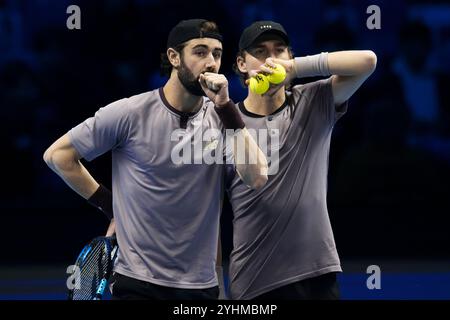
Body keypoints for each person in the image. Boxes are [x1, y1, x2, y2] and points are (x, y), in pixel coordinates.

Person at [43, 19, 267, 300]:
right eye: (200, 52)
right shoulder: (129, 113)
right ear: (174, 57)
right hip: (137, 281)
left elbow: (257, 177)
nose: (211, 62)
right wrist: (109, 205)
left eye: (217, 54)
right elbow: (58, 156)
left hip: (201, 285)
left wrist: (225, 107)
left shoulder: (224, 118)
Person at [226, 20, 377, 299]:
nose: (271, 59)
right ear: (242, 64)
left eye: (279, 50)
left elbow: (367, 60)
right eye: (260, 52)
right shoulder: (225, 122)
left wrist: (296, 69)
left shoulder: (314, 101)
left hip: (317, 275)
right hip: (254, 282)